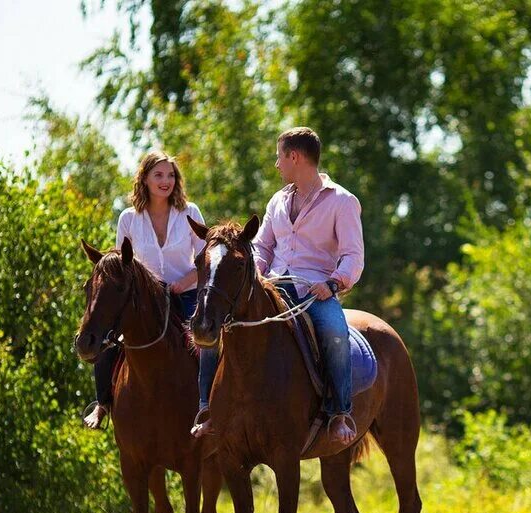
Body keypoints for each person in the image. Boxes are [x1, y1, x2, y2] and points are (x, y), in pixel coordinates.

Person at [242, 126, 364, 447]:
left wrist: (334, 283)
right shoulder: (277, 201)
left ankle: (339, 413)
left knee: (336, 333)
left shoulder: (342, 201)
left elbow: (353, 256)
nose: (277, 164)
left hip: (316, 292)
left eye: (279, 157)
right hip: (274, 286)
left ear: (294, 156)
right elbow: (262, 247)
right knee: (230, 324)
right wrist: (256, 274)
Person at [83, 151, 219, 429]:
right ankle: (102, 403)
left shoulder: (190, 212)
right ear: (144, 179)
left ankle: (211, 404)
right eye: (158, 175)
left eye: (170, 175)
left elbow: (206, 259)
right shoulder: (128, 219)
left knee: (208, 341)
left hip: (186, 293)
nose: (165, 181)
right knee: (108, 336)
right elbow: (123, 265)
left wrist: (187, 280)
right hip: (145, 301)